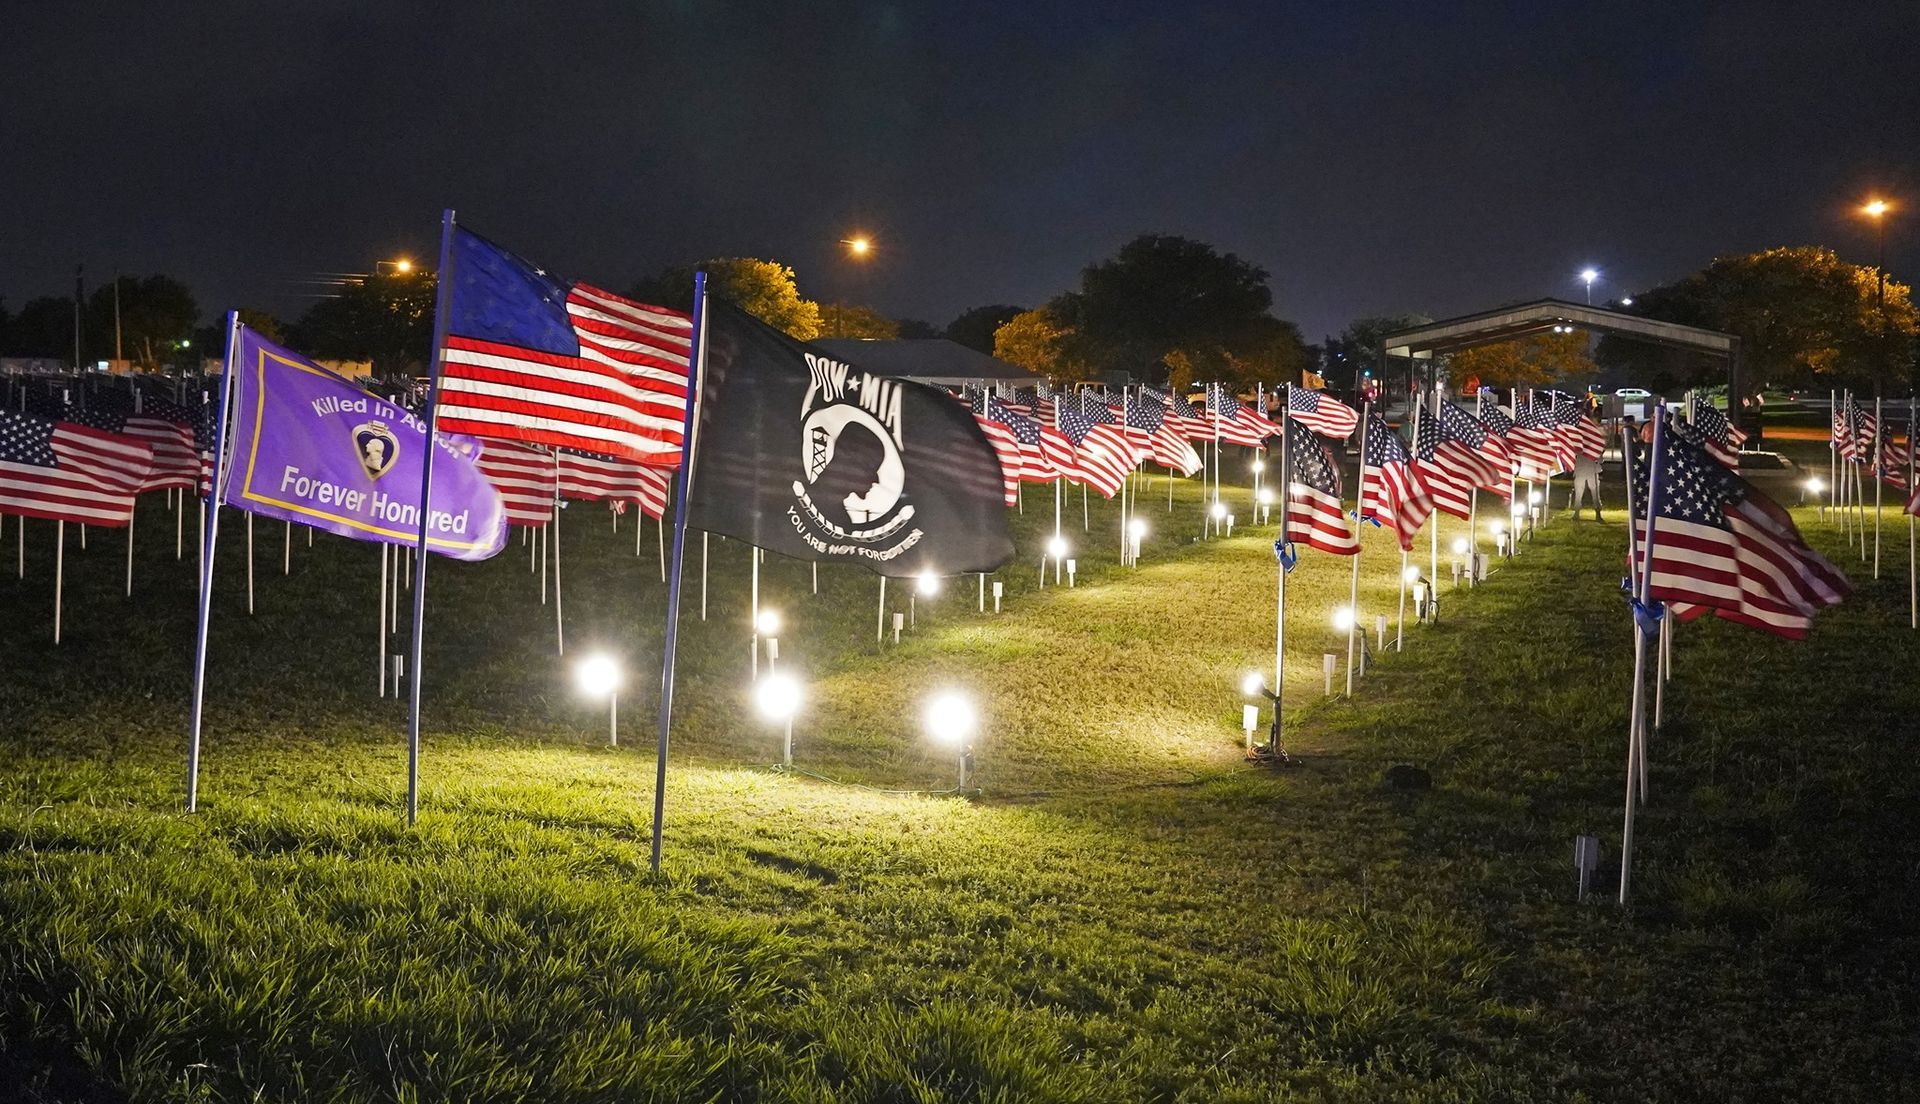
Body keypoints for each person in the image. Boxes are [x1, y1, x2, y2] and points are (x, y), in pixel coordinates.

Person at [1569, 453, 1603, 520]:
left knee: (1594, 492)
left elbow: (1600, 459)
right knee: (1580, 492)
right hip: (1583, 469)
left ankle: (1597, 513)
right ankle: (1577, 512)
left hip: (1590, 470)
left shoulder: (1592, 445)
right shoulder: (1580, 445)